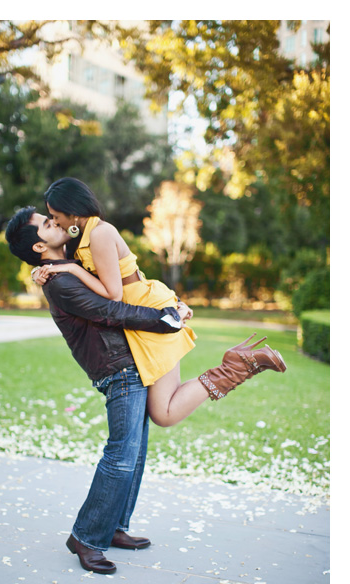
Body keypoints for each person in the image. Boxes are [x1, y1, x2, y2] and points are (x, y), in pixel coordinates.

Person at [5, 206, 188, 574]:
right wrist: (164, 319)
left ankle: (114, 526)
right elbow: (112, 310)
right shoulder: (59, 281)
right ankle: (86, 537)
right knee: (121, 454)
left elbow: (119, 281)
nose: (55, 221)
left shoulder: (67, 265)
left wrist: (169, 306)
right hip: (116, 368)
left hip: (128, 360)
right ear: (40, 247)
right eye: (46, 223)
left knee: (134, 453)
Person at [33, 178, 286, 426]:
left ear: (73, 212)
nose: (55, 222)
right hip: (136, 316)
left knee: (163, 414)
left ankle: (236, 365)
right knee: (161, 412)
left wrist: (71, 269)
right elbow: (62, 263)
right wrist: (40, 271)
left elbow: (113, 295)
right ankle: (237, 364)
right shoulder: (82, 238)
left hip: (146, 311)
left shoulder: (100, 233)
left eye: (55, 215)